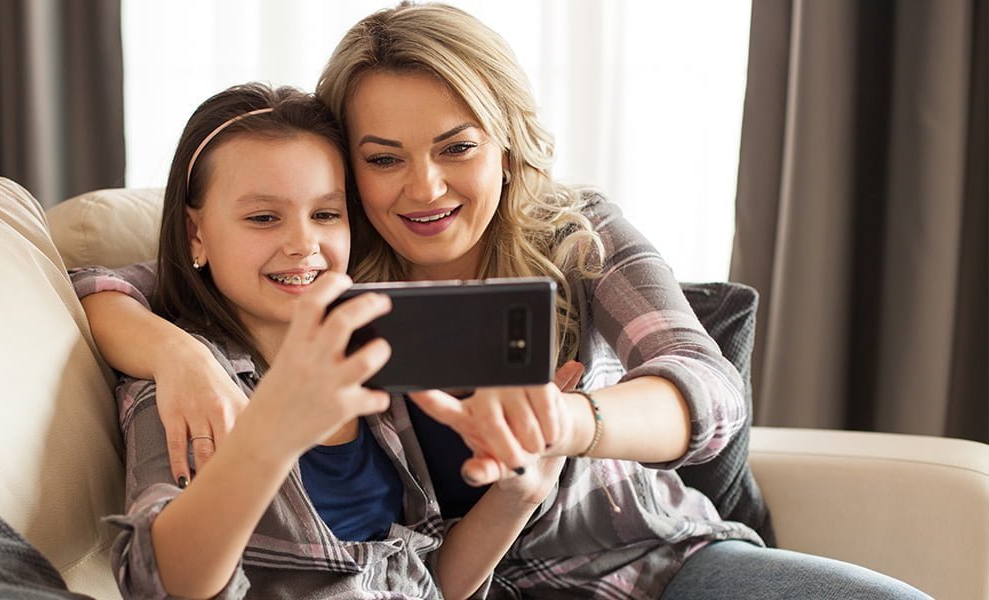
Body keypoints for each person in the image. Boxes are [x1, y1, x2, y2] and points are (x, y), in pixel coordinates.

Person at [77, 3, 930, 598]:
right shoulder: (330, 267)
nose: (425, 188)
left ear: (507, 142)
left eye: (457, 148)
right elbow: (123, 284)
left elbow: (705, 388)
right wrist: (176, 354)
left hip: (638, 561)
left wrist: (571, 425)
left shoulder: (576, 233)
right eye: (382, 159)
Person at [88, 82, 582, 599]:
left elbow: (429, 584)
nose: (304, 244)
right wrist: (271, 431)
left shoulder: (371, 365)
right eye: (263, 217)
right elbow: (160, 582)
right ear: (196, 235)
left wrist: (520, 493)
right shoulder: (186, 390)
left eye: (326, 214)